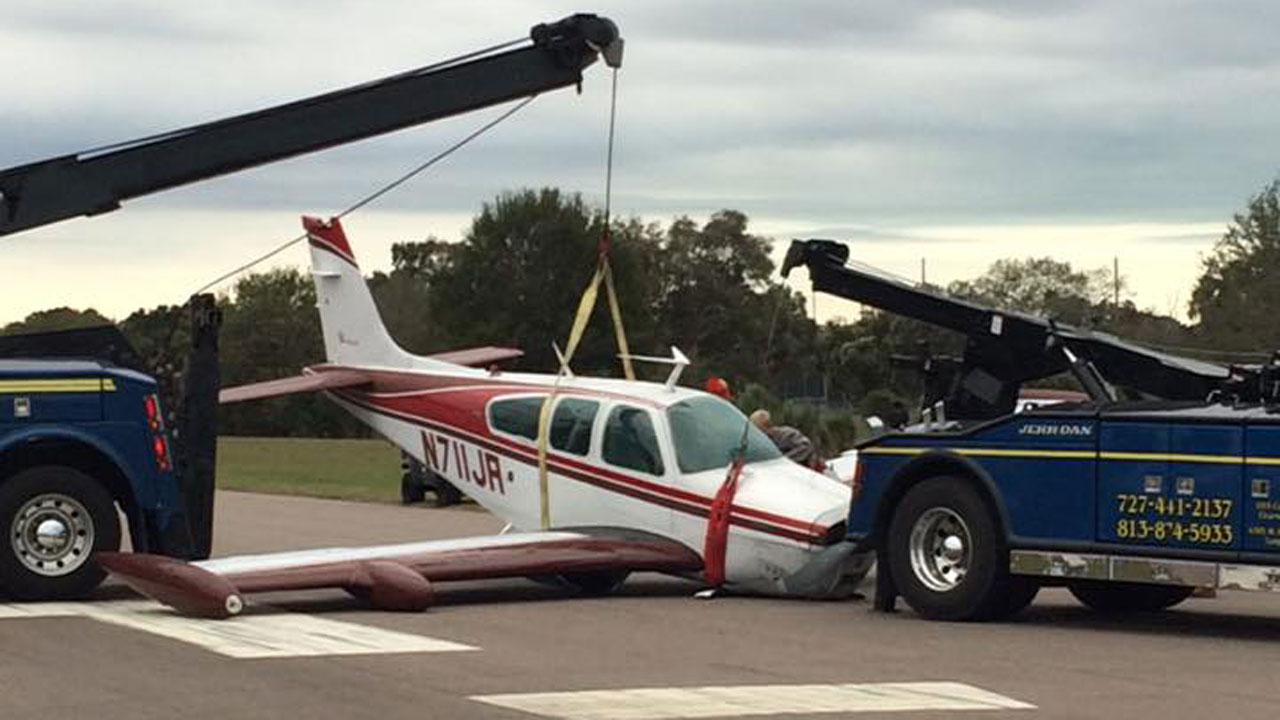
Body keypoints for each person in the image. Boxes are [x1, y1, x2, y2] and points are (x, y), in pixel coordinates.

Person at [750, 409, 823, 470]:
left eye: (760, 430)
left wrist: (783, 460)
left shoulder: (787, 434)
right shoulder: (761, 444)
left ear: (768, 425)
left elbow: (806, 447)